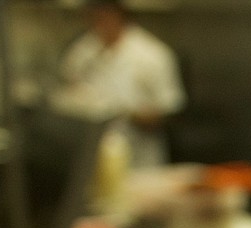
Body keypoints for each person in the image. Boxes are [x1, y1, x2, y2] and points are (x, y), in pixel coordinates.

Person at [55, 0, 186, 168]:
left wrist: (126, 113)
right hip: (92, 158)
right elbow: (69, 86)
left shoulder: (153, 55)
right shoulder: (82, 50)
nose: (97, 22)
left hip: (140, 160)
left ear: (118, 14)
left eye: (102, 15)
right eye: (92, 17)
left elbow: (169, 111)